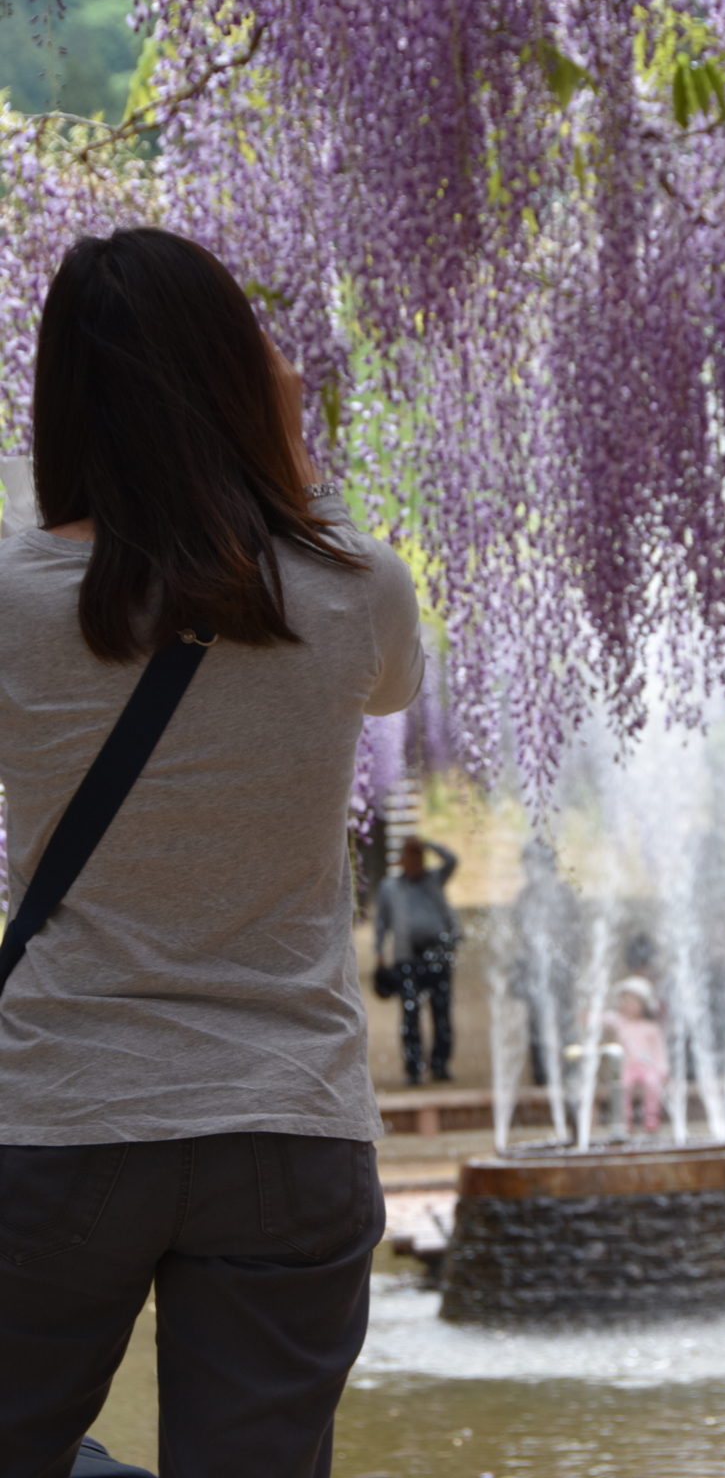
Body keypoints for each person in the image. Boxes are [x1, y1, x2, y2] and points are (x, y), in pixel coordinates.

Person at [0, 228, 424, 1478]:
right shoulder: (353, 588)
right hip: (288, 1131)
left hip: (61, 1117)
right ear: (251, 385)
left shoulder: (14, 597)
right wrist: (289, 464)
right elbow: (388, 679)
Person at [374, 835, 459, 1084]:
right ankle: (413, 1067)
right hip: (408, 957)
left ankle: (440, 1065)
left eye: (417, 855)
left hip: (438, 954)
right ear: (402, 859)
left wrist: (429, 844)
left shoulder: (433, 879)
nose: (414, 861)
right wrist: (379, 952)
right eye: (409, 856)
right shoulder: (390, 887)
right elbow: (381, 923)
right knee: (410, 1011)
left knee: (441, 1010)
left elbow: (453, 861)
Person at [509, 840, 582, 1085]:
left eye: (533, 861)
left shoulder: (563, 893)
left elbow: (575, 929)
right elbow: (519, 926)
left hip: (560, 966)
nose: (528, 867)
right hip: (534, 967)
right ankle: (541, 1072)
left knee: (564, 1019)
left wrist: (568, 959)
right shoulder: (525, 894)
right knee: (536, 1020)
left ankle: (572, 1068)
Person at [602, 976, 669, 1135]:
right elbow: (604, 1018)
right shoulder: (620, 1022)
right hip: (628, 1067)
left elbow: (658, 1050)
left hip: (647, 1067)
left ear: (643, 1005)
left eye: (633, 1001)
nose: (628, 1005)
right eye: (625, 1001)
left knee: (652, 1083)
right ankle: (625, 1119)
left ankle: (651, 1117)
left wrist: (663, 1069)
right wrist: (588, 1017)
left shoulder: (650, 1027)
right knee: (623, 1085)